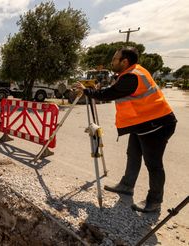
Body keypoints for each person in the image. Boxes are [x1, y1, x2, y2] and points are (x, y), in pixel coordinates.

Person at [74, 47, 177, 213]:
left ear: (125, 61)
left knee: (154, 164)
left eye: (115, 59)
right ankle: (127, 185)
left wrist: (87, 91)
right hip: (143, 123)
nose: (112, 62)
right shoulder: (131, 73)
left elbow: (108, 94)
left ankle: (155, 200)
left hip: (156, 125)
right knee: (133, 154)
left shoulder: (131, 77)